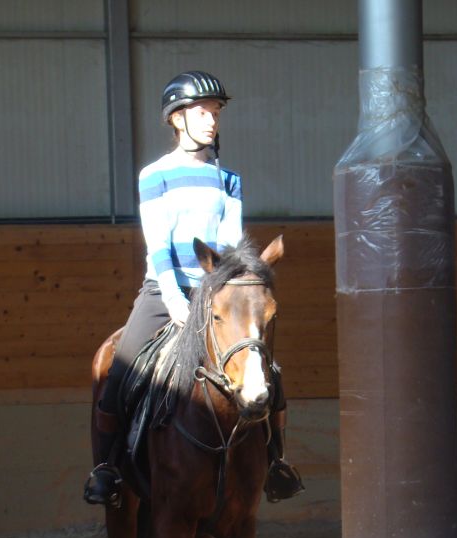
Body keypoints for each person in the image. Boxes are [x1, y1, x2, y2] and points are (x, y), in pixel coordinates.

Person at [83, 70, 303, 507]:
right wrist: (173, 299)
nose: (211, 120)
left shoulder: (229, 179)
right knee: (118, 374)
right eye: (202, 112)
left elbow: (231, 248)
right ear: (177, 118)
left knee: (269, 375)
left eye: (216, 112)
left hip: (215, 293)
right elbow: (158, 243)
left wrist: (220, 294)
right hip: (162, 291)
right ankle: (107, 470)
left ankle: (275, 462)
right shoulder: (155, 175)